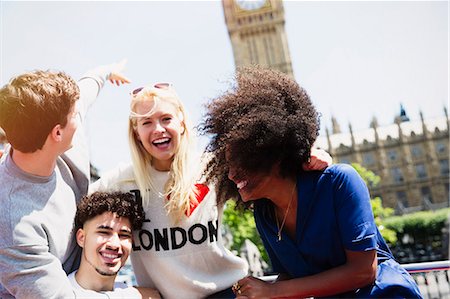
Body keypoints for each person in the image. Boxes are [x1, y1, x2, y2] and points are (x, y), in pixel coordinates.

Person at [90, 83, 331, 298]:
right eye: (147, 122)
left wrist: (310, 155)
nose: (158, 129)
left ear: (182, 124)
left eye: (166, 119)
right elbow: (75, 210)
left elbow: (270, 168)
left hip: (226, 292)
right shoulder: (120, 182)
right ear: (136, 132)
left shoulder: (213, 167)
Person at [199, 67, 422, 298]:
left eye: (240, 163)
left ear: (270, 153)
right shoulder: (264, 214)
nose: (232, 175)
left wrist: (274, 291)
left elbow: (364, 271)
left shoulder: (339, 182)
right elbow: (289, 277)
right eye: (228, 167)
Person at [0, 62, 130, 298]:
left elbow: (87, 88)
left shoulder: (54, 131)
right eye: (74, 116)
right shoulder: (11, 225)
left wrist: (105, 72)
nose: (78, 117)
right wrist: (134, 295)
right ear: (57, 133)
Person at [70, 191, 160, 298]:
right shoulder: (58, 292)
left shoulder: (136, 294)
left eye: (124, 235)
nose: (115, 244)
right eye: (104, 232)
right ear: (81, 238)